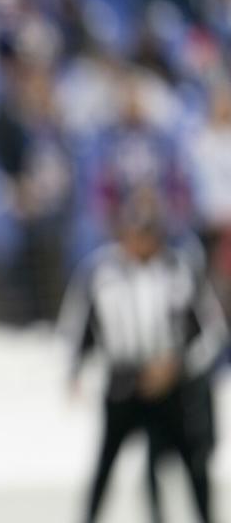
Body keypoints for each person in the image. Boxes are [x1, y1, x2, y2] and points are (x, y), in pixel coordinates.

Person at [57, 188, 227, 523]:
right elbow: (77, 329)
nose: (140, 242)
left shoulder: (180, 269)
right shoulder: (99, 272)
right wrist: (76, 372)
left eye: (148, 233)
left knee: (189, 462)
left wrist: (176, 366)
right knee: (106, 463)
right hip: (123, 381)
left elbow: (210, 330)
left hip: (170, 382)